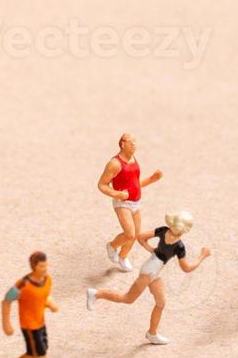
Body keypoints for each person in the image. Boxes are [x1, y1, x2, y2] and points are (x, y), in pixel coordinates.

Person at [86, 210, 209, 345]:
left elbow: (140, 237)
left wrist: (150, 248)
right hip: (149, 272)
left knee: (161, 303)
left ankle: (152, 333)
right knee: (127, 298)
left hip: (154, 271)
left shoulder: (163, 230)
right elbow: (187, 268)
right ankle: (96, 294)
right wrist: (202, 256)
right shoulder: (179, 246)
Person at [97, 133, 163, 272]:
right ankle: (112, 246)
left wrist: (152, 179)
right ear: (122, 144)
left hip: (136, 202)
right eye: (131, 143)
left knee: (136, 235)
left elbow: (134, 183)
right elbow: (102, 185)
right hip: (123, 203)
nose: (135, 145)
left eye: (136, 143)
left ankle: (123, 256)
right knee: (129, 233)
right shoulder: (114, 163)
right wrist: (118, 194)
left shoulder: (133, 159)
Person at [2, 251, 59, 358]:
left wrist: (50, 303)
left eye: (46, 266)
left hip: (40, 322)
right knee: (40, 356)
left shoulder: (47, 280)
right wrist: (6, 323)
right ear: (34, 266)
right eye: (41, 267)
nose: (45, 269)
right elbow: (6, 301)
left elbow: (44, 296)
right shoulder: (23, 285)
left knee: (36, 353)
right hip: (29, 325)